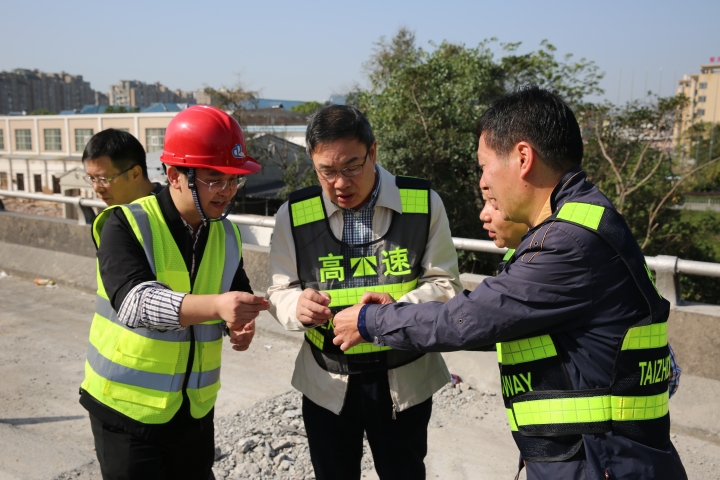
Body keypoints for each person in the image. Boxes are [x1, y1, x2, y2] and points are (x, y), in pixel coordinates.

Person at [333, 87, 687, 479]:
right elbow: (506, 320)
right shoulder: (581, 221)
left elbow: (468, 320)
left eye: (484, 167)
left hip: (602, 463)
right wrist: (398, 312)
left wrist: (369, 321)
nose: (484, 181)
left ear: (522, 157)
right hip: (600, 457)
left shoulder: (567, 243)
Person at [267, 104, 462, 480]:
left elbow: (445, 285)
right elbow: (279, 289)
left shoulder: (422, 203)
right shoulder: (294, 214)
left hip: (403, 378)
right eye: (326, 171)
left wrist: (390, 315)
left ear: (373, 152)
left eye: (352, 167)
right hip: (327, 380)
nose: (340, 183)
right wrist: (296, 305)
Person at [79, 105, 269, 480]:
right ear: (174, 175)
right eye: (214, 179)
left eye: (234, 180)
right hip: (126, 412)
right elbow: (135, 302)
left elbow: (235, 291)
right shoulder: (125, 223)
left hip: (193, 411)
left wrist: (239, 323)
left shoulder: (226, 233)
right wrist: (217, 306)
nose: (227, 191)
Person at [82, 128, 163, 206]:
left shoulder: (165, 211)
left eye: (103, 179)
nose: (96, 188)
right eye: (91, 178)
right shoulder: (120, 211)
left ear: (135, 174)